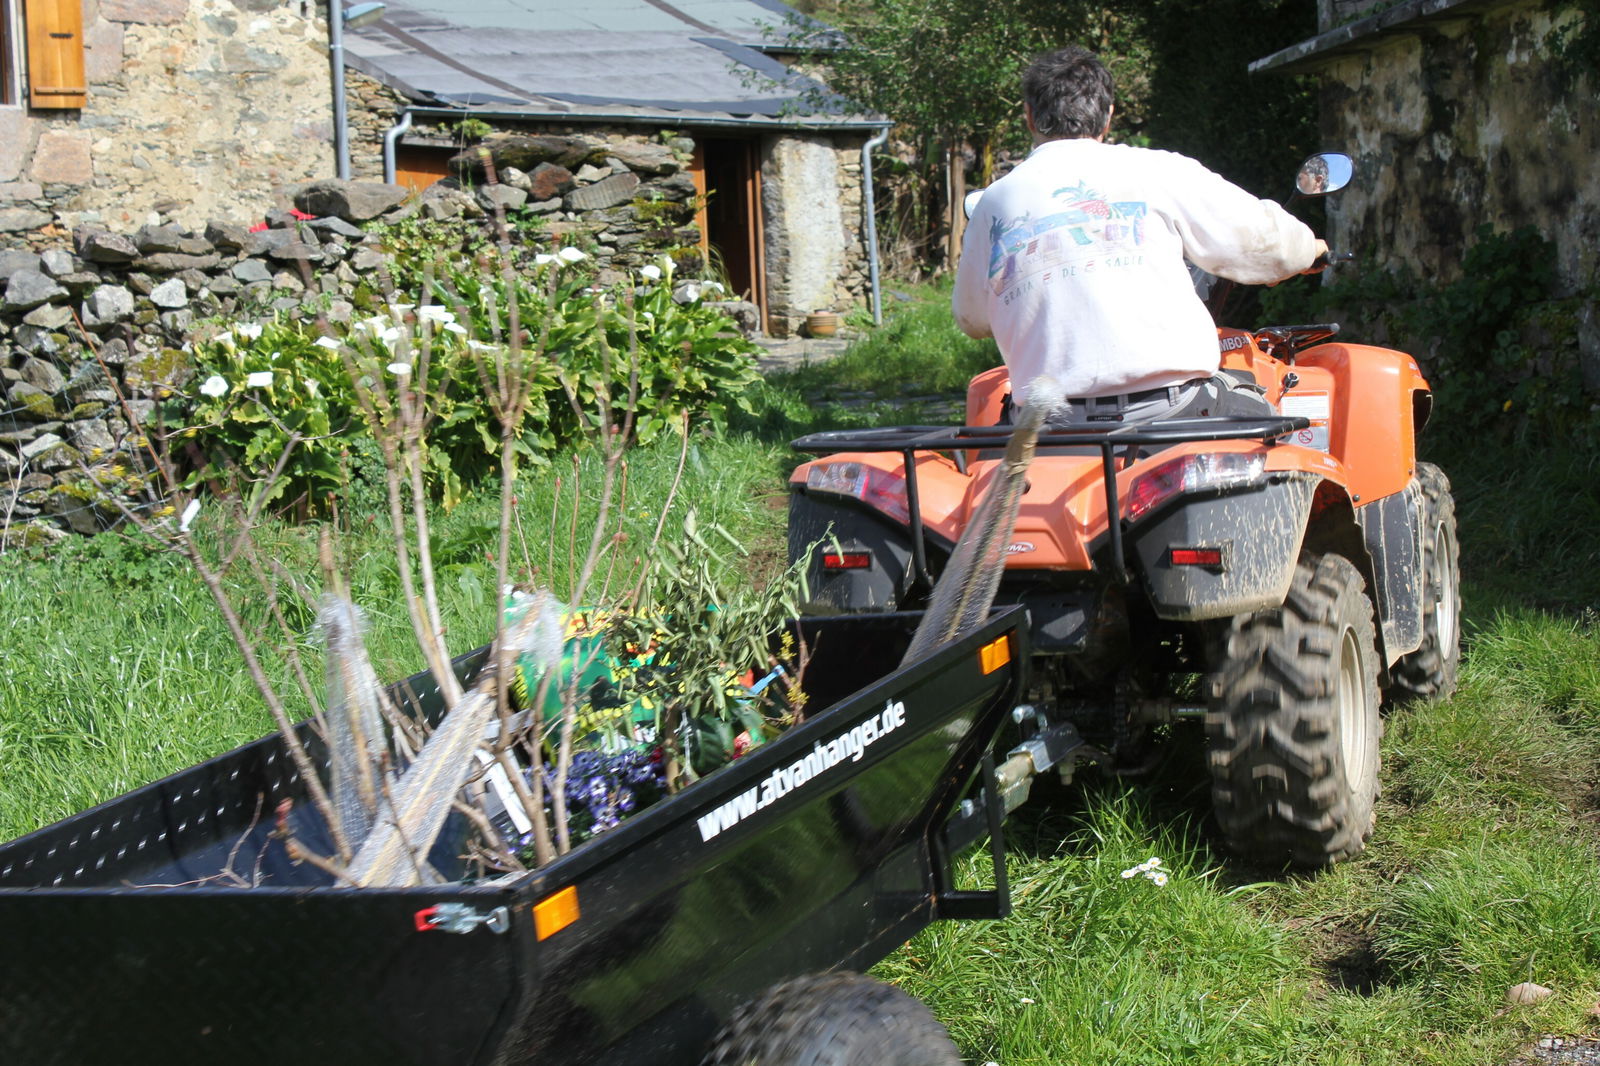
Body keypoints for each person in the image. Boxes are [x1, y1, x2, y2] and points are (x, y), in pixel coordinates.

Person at [952, 46, 1328, 424]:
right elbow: (1261, 239)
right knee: (1277, 422)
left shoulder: (993, 202)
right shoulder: (1156, 169)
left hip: (1047, 424)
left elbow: (972, 318)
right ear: (1108, 115)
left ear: (1030, 116)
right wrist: (1308, 250)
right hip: (1172, 410)